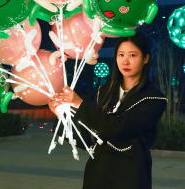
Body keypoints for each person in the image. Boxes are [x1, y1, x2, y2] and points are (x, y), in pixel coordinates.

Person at [49, 32, 167, 189]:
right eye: (121, 54)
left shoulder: (154, 99)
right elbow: (90, 139)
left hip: (130, 178)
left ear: (146, 58)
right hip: (97, 176)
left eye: (132, 55)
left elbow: (115, 129)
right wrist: (61, 115)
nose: (125, 61)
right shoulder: (103, 92)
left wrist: (80, 104)